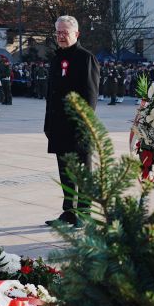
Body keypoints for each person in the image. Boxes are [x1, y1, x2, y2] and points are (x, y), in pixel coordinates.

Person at [44, 15, 100, 226]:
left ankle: (83, 214)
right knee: (65, 172)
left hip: (78, 127)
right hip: (58, 127)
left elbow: (90, 96)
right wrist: (48, 123)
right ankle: (68, 212)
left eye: (65, 32)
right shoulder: (56, 58)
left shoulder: (86, 58)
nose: (60, 36)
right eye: (58, 32)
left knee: (83, 173)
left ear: (76, 34)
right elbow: (51, 94)